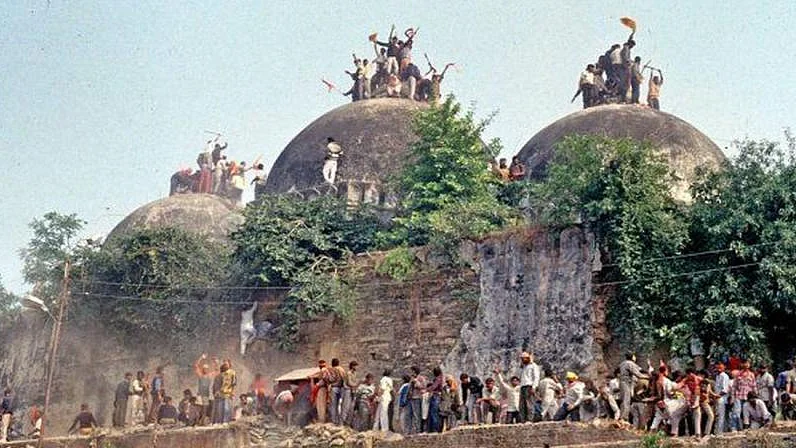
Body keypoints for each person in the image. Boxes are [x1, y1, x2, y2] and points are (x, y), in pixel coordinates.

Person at [618, 353, 649, 421]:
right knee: (626, 400)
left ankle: (622, 416)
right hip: (626, 382)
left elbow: (639, 369)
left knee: (624, 400)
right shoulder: (630, 363)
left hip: (623, 382)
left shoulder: (623, 363)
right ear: (632, 357)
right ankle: (624, 417)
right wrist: (648, 377)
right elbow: (638, 374)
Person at [731, 361, 757, 432]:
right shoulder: (738, 374)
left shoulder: (751, 375)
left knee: (746, 413)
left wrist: (756, 396)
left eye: (747, 363)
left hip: (748, 397)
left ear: (749, 365)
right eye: (744, 363)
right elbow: (734, 386)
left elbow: (754, 386)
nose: (746, 365)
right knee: (736, 413)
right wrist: (732, 397)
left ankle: (744, 428)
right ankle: (734, 428)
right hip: (738, 396)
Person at [194, 354, 219, 424]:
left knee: (205, 409)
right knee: (198, 409)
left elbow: (217, 371)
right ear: (203, 369)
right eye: (204, 368)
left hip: (206, 395)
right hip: (200, 394)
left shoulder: (209, 376)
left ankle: (203, 422)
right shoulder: (200, 375)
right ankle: (197, 421)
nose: (205, 370)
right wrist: (201, 358)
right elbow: (196, 365)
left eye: (206, 369)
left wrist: (216, 362)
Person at [519, 352, 541, 422]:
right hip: (523, 386)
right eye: (522, 359)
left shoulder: (533, 366)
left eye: (524, 358)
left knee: (529, 403)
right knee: (522, 404)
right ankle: (523, 420)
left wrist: (534, 387)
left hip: (529, 386)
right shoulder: (524, 367)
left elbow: (536, 377)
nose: (522, 360)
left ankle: (530, 419)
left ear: (527, 358)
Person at [327, 358, 347, 425]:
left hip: (334, 387)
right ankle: (340, 421)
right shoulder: (342, 369)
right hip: (342, 389)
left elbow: (331, 379)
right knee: (340, 405)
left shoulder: (333, 369)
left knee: (333, 405)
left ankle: (334, 421)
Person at [408, 366, 427, 434]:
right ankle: (413, 429)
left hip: (417, 397)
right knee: (412, 414)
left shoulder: (421, 378)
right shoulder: (412, 378)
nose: (411, 373)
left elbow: (423, 386)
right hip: (412, 398)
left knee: (417, 414)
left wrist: (416, 382)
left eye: (412, 371)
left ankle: (418, 430)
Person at [714, 362, 731, 434]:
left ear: (724, 367)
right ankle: (721, 430)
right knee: (719, 415)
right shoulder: (717, 376)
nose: (718, 369)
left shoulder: (724, 376)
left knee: (721, 415)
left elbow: (725, 390)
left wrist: (718, 396)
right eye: (717, 367)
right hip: (717, 397)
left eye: (720, 367)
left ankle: (720, 432)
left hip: (722, 398)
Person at [427, 367, 445, 432]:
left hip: (436, 396)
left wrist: (426, 389)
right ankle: (435, 428)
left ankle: (435, 429)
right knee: (435, 413)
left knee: (434, 413)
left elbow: (434, 387)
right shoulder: (441, 378)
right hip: (437, 396)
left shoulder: (438, 379)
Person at [342, 361, 359, 426]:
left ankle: (348, 423)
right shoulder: (348, 373)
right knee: (345, 407)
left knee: (351, 408)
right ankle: (342, 422)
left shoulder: (355, 373)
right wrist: (357, 384)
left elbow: (354, 381)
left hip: (353, 391)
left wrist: (355, 384)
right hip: (348, 390)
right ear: (352, 366)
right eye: (355, 366)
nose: (356, 367)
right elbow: (349, 383)